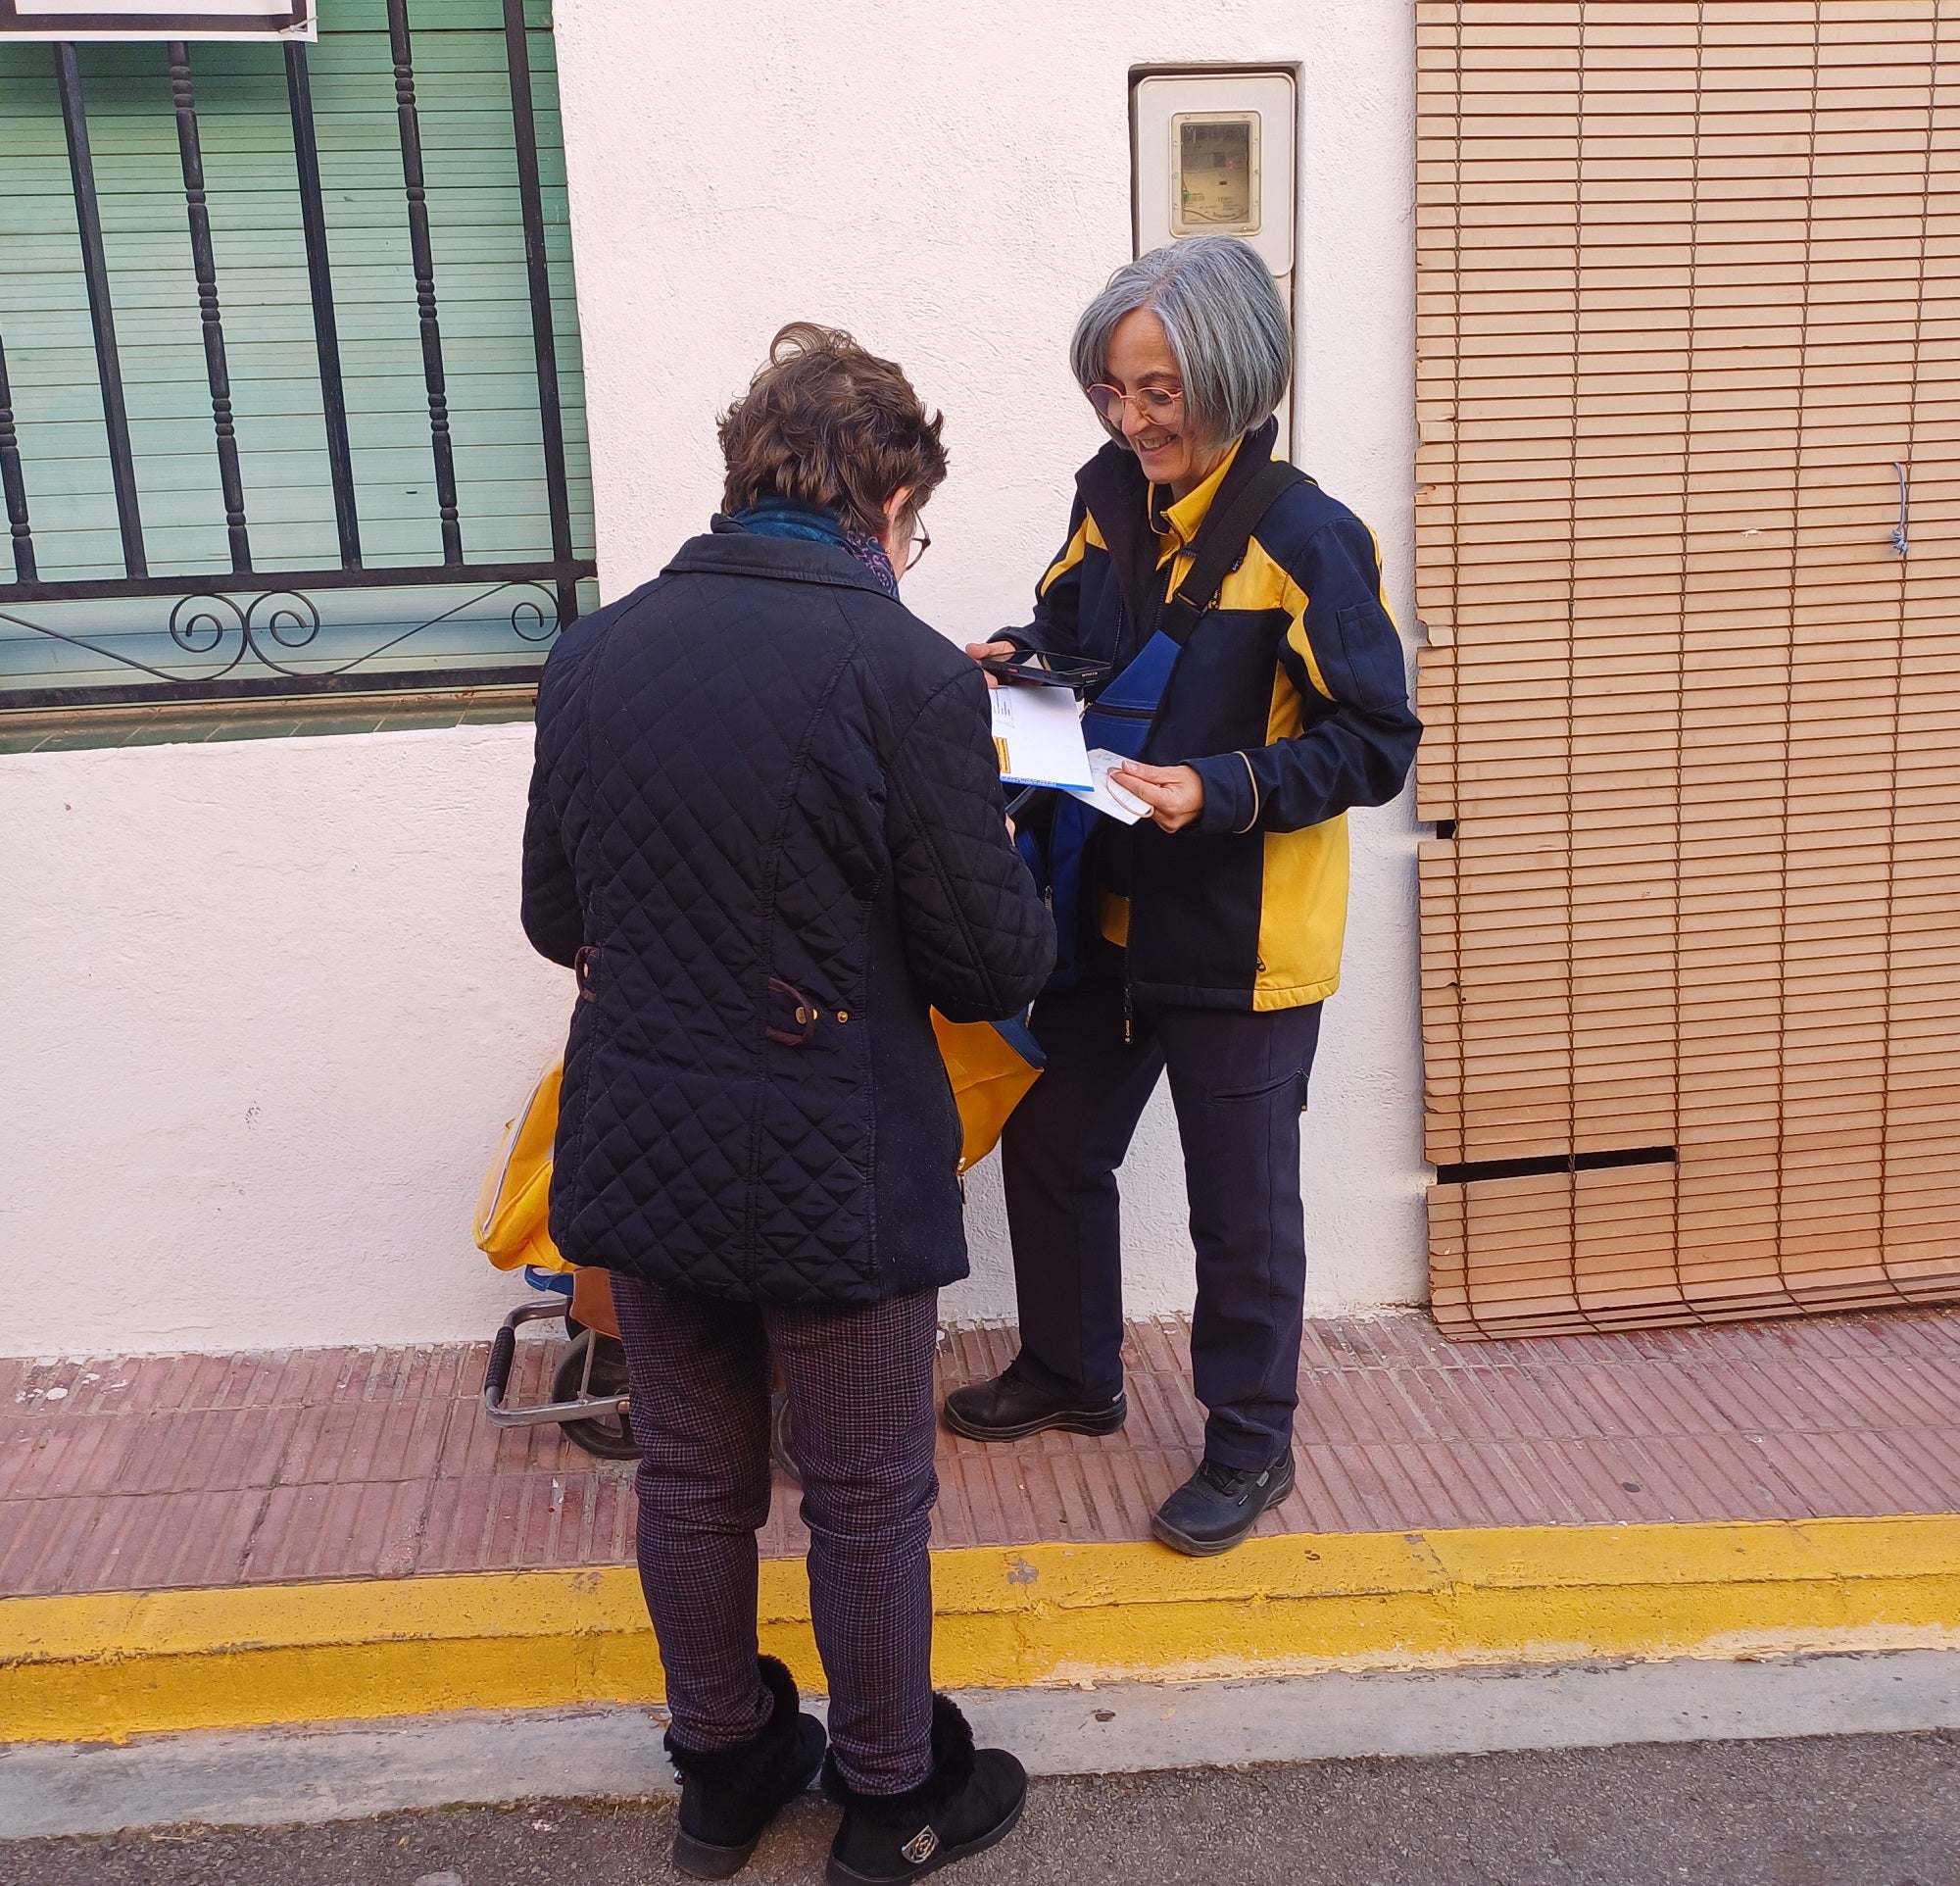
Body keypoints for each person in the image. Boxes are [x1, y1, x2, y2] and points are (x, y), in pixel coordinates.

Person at [521, 323, 1054, 1883]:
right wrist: (987, 806)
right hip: (836, 1156)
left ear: (748, 474)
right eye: (921, 524)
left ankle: (723, 1769)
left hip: (647, 1137)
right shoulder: (904, 673)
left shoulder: (595, 651)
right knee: (868, 1496)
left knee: (694, 1475)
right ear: (887, 508)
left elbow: (561, 915)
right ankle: (890, 1800)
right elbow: (981, 958)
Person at [944, 235, 1421, 1557]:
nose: (1132, 417)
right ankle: (1072, 1373)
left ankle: (1250, 1443)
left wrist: (1217, 789)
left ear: (1234, 375)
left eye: (1159, 391)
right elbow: (1088, 646)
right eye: (1112, 388)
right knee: (1053, 1145)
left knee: (1241, 1205)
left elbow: (1376, 742)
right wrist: (1018, 660)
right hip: (1106, 910)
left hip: (1244, 939)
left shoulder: (1313, 539)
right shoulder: (1110, 501)